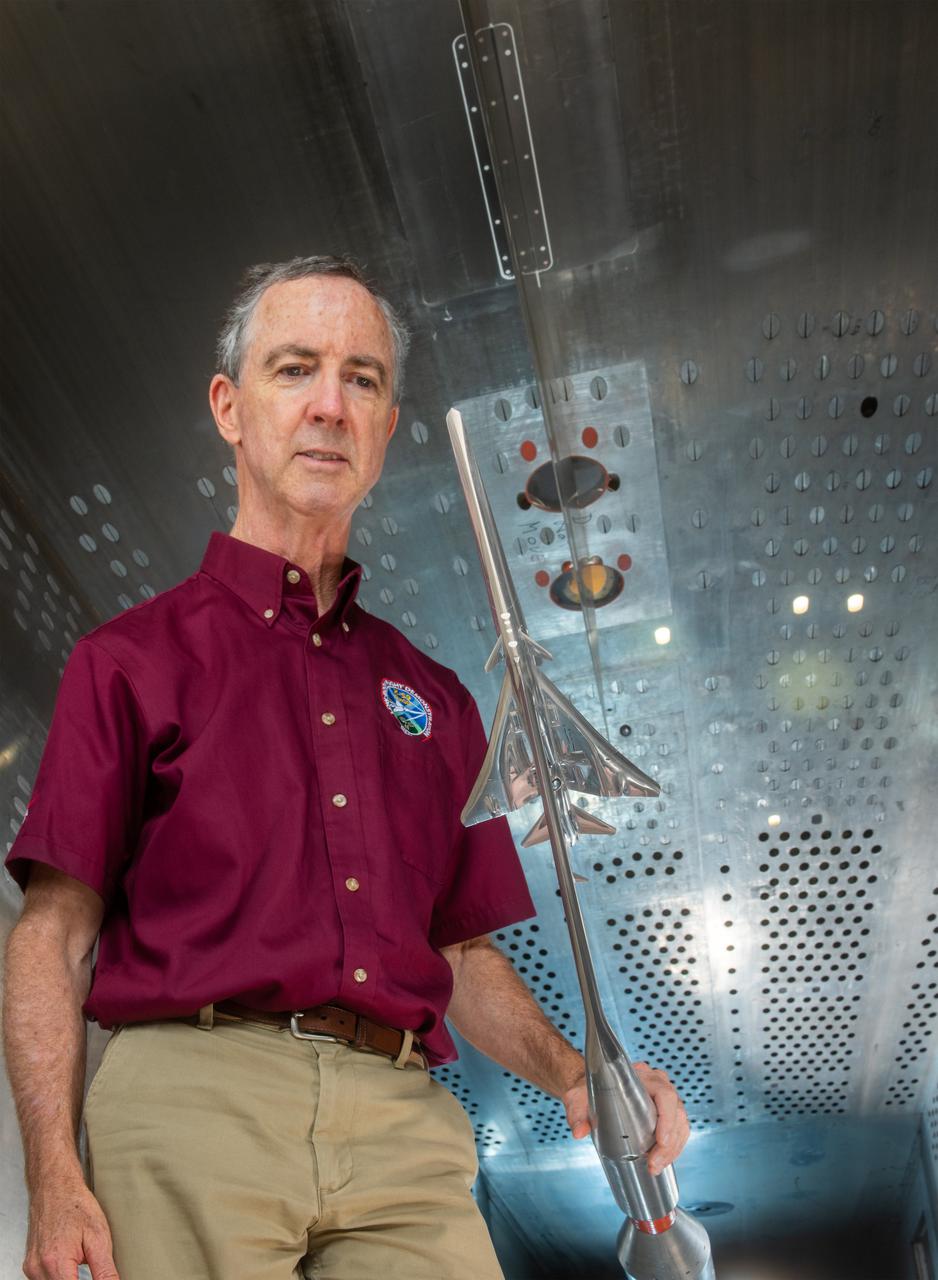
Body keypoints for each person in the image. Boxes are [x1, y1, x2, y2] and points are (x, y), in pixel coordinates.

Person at [2, 255, 689, 1280]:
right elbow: (52, 936)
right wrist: (53, 1175)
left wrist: (572, 1071)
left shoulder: (439, 699)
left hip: (399, 1117)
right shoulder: (128, 661)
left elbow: (458, 956)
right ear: (230, 408)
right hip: (193, 1098)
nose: (329, 403)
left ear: (385, 428)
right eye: (295, 369)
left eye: (360, 378)